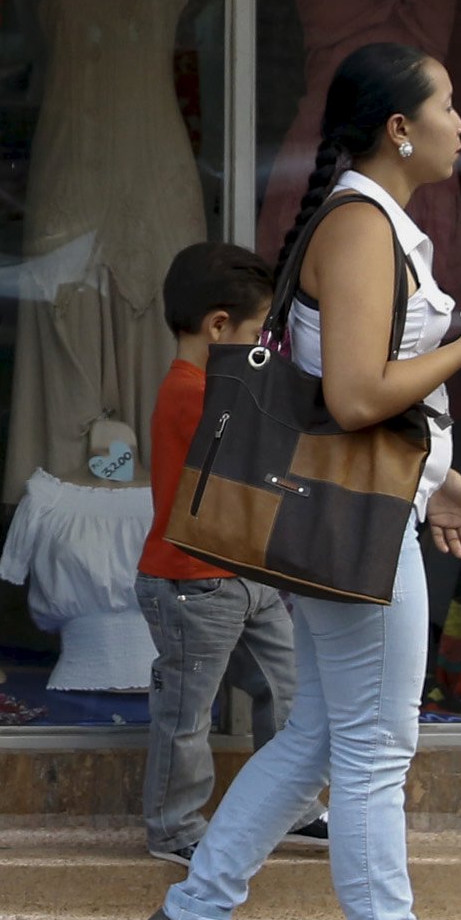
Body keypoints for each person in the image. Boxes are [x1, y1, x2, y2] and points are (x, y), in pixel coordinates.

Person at [135, 42, 461, 920]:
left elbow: (337, 391)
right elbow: (358, 395)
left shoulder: (376, 222)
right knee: (373, 746)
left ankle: (195, 914)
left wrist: (437, 471)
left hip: (361, 510)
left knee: (324, 728)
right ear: (399, 127)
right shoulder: (362, 225)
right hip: (352, 527)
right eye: (446, 104)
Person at [136, 241, 316, 869]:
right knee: (187, 711)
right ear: (218, 327)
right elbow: (254, 459)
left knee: (289, 688)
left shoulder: (216, 383)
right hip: (194, 581)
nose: (267, 346)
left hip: (241, 575)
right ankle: (174, 826)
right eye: (257, 332)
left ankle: (292, 808)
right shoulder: (193, 391)